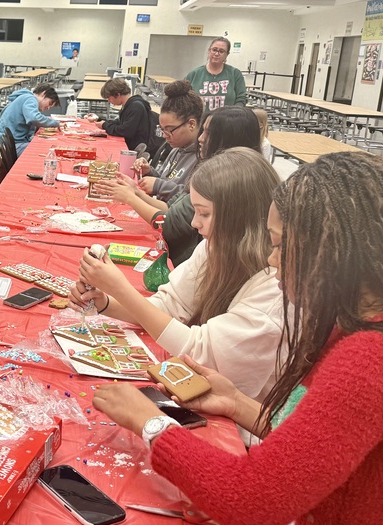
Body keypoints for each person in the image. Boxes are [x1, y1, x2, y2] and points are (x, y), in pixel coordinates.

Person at [90, 152, 383, 525]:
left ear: (330, 251)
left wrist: (151, 424)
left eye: (281, 246)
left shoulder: (374, 357)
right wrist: (239, 404)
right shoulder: (363, 327)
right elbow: (319, 446)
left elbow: (250, 502)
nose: (271, 261)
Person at [71, 148, 285, 405]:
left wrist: (120, 289)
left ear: (239, 219)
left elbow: (201, 354)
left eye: (204, 213)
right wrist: (104, 302)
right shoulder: (215, 247)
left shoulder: (276, 288)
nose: (195, 223)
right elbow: (170, 307)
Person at [101, 105, 259, 266]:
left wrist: (130, 198)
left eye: (208, 133)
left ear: (228, 139)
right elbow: (170, 207)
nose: (201, 138)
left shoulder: (223, 181)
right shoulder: (207, 166)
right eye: (202, 131)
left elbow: (168, 224)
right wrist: (135, 192)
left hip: (184, 260)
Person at [119, 80, 203, 205]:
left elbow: (191, 200)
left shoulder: (202, 158)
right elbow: (166, 178)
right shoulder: (176, 148)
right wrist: (149, 171)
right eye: (162, 130)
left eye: (170, 130)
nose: (165, 136)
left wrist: (159, 186)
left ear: (191, 124)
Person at [89, 77, 154, 151]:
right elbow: (120, 123)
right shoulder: (128, 105)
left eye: (109, 98)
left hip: (133, 148)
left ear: (117, 94)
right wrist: (99, 120)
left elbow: (124, 131)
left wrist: (105, 125)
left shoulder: (136, 107)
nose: (109, 101)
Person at [0, 83, 60, 154]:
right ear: (43, 94)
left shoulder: (24, 97)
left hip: (9, 141)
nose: (48, 108)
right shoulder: (30, 99)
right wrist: (55, 123)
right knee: (47, 150)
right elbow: (34, 118)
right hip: (11, 145)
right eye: (50, 103)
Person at [185, 37, 247, 111]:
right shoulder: (194, 74)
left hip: (228, 120)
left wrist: (235, 114)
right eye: (214, 50)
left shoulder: (235, 74)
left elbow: (241, 98)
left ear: (227, 55)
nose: (216, 54)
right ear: (209, 51)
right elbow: (184, 98)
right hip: (200, 121)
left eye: (221, 51)